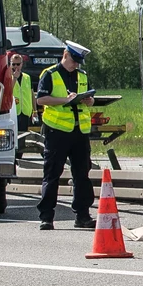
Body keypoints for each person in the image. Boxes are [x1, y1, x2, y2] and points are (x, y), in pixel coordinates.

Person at [35, 40, 96, 231]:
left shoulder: (82, 75)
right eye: (74, 60)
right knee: (52, 175)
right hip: (57, 132)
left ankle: (83, 216)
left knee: (82, 175)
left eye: (79, 62)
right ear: (65, 55)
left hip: (80, 132)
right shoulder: (50, 74)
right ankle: (46, 217)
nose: (76, 65)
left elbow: (90, 101)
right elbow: (41, 99)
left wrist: (88, 100)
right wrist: (65, 100)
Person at [10, 53, 37, 157]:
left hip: (25, 111)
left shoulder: (27, 77)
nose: (16, 67)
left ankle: (19, 156)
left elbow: (31, 94)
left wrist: (34, 111)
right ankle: (13, 156)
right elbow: (8, 91)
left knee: (22, 135)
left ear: (22, 64)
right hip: (13, 111)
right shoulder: (9, 76)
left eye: (18, 64)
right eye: (13, 64)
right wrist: (14, 78)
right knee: (14, 136)